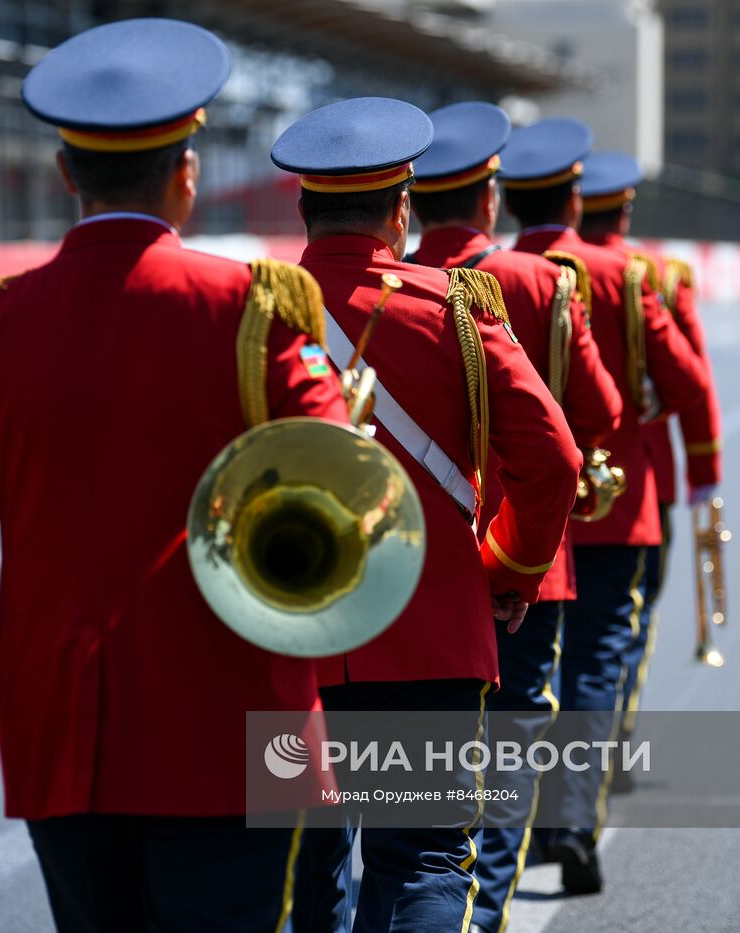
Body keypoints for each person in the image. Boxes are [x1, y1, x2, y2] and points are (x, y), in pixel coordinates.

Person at [0, 19, 351, 931]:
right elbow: (344, 516)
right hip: (244, 742)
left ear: (66, 175)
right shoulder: (255, 314)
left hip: (62, 751)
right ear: (189, 172)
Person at [272, 96, 582, 933]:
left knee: (306, 873)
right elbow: (554, 458)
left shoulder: (256, 314)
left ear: (302, 207)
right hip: (430, 635)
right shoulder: (457, 311)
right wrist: (510, 571)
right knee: (422, 866)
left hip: (291, 645)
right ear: (401, 207)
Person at [408, 102, 624, 933]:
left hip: (409, 571)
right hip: (525, 559)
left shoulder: (384, 288)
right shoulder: (538, 281)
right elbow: (595, 414)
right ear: (489, 195)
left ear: (412, 200)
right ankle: (480, 914)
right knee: (507, 754)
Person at [501, 118, 711, 895]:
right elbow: (686, 381)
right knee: (594, 665)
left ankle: (507, 829)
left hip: (518, 516)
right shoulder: (626, 275)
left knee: (518, 675)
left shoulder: (483, 271)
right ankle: (571, 819)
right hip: (616, 507)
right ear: (580, 196)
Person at [577, 152, 723, 777]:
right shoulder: (654, 276)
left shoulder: (516, 271)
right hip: (639, 481)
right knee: (623, 626)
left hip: (538, 482)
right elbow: (694, 384)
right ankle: (608, 750)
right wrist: (703, 470)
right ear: (626, 208)